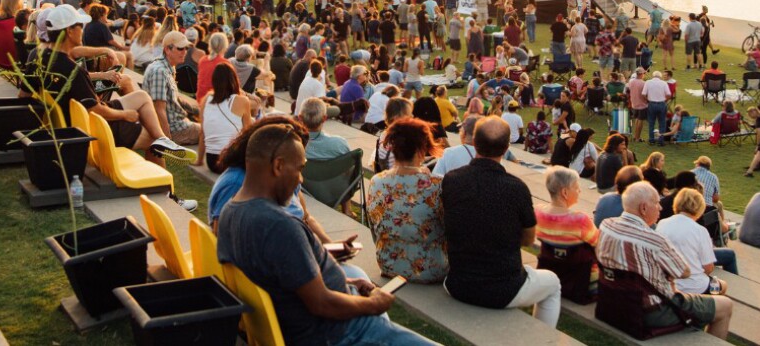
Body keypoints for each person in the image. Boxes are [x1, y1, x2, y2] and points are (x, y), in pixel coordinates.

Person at [216, 122, 440, 346]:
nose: (301, 180)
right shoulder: (279, 226)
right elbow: (322, 304)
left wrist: (350, 282)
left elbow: (286, 279)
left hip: (322, 323)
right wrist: (375, 304)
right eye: (300, 168)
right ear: (278, 166)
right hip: (342, 333)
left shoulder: (229, 213)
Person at [32, 4, 194, 164]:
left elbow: (75, 52)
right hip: (95, 126)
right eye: (80, 25)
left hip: (76, 122)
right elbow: (96, 110)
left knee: (142, 96)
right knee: (152, 140)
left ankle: (165, 140)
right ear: (69, 31)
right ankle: (164, 186)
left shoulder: (43, 57)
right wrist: (125, 115)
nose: (83, 29)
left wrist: (106, 51)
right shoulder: (74, 71)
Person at [442, 116, 562, 327]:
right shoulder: (516, 188)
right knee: (553, 283)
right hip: (502, 290)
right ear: (507, 147)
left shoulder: (452, 179)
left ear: (473, 142)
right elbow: (527, 239)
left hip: (458, 283)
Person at [596, 181, 733, 340]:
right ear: (643, 208)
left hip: (613, 301)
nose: (661, 208)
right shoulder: (655, 240)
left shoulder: (606, 225)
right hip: (652, 311)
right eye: (657, 203)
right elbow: (684, 272)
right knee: (725, 305)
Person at [366, 117, 448, 283]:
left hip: (388, 264)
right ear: (421, 150)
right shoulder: (437, 184)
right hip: (431, 268)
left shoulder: (377, 181)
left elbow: (374, 227)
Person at [535, 167, 599, 303]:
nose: (579, 191)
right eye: (576, 187)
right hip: (581, 285)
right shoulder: (580, 220)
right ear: (564, 192)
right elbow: (599, 243)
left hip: (549, 275)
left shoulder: (538, 212)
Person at [656, 188, 727, 295]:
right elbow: (708, 267)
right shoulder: (700, 231)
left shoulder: (662, 223)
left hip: (666, 284)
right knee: (723, 285)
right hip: (694, 287)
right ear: (700, 207)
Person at [142, 30, 202, 149]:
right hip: (175, 129)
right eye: (180, 49)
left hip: (177, 121)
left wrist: (198, 110)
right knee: (215, 129)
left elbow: (174, 98)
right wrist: (167, 141)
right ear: (167, 50)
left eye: (186, 48)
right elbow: (159, 110)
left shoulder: (167, 66)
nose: (185, 52)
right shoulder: (160, 72)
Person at [197, 62, 253, 173]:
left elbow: (202, 133)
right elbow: (248, 134)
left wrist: (199, 160)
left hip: (212, 162)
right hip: (231, 162)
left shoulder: (206, 99)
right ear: (234, 79)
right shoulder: (241, 100)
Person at [643, 69, 672, 146]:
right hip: (661, 104)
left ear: (653, 76)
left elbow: (643, 94)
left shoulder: (648, 82)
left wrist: (647, 100)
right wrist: (665, 100)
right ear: (660, 77)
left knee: (651, 123)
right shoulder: (664, 83)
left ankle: (651, 140)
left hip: (651, 104)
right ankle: (660, 140)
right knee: (662, 123)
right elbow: (669, 94)